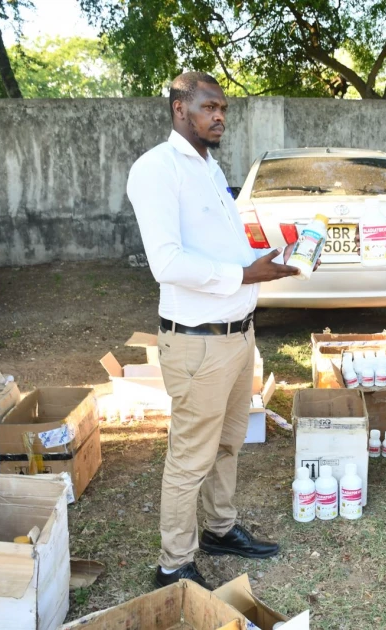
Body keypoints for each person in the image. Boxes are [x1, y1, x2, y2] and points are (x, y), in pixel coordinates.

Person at [126, 71, 299, 590]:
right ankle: (174, 563)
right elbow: (167, 262)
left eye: (223, 107)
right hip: (198, 341)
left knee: (228, 444)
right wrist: (248, 273)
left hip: (238, 336)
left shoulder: (209, 168)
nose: (220, 115)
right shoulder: (157, 169)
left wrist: (266, 260)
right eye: (209, 107)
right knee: (190, 456)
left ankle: (220, 529)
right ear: (180, 109)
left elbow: (227, 252)